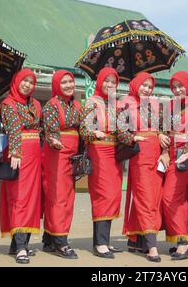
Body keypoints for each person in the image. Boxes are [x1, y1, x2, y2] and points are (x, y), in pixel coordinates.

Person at [117, 72, 166, 262]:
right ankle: (152, 246)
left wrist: (161, 134)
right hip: (140, 155)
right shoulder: (125, 103)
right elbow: (119, 129)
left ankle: (138, 241)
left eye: (149, 86)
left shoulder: (155, 104)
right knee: (145, 197)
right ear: (135, 84)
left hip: (156, 154)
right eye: (143, 85)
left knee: (153, 198)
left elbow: (164, 126)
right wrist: (131, 137)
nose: (146, 89)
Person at [0, 68, 42, 264]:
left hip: (35, 155)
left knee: (32, 199)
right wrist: (15, 151)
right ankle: (21, 247)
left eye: (31, 82)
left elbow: (40, 128)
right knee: (19, 198)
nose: (27, 85)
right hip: (20, 154)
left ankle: (17, 245)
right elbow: (13, 127)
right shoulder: (8, 103)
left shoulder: (35, 104)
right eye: (24, 81)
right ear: (16, 81)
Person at [80, 67, 123, 259]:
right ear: (100, 82)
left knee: (113, 195)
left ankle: (105, 240)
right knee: (102, 195)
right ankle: (100, 243)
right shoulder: (92, 102)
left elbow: (121, 129)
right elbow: (83, 129)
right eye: (106, 81)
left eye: (113, 82)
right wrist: (93, 132)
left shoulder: (115, 104)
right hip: (98, 151)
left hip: (115, 154)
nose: (109, 85)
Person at [161, 71, 188, 260]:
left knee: (170, 197)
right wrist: (159, 135)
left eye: (181, 86)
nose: (178, 90)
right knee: (177, 199)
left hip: (185, 157)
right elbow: (162, 129)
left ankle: (184, 243)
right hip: (169, 156)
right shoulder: (171, 106)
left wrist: (187, 151)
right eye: (174, 87)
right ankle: (181, 240)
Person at [41, 70, 80, 259]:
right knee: (58, 197)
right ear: (56, 85)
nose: (68, 85)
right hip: (56, 154)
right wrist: (54, 140)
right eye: (63, 82)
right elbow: (51, 130)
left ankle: (49, 239)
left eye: (70, 82)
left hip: (71, 156)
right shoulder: (51, 105)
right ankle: (61, 243)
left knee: (67, 197)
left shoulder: (76, 105)